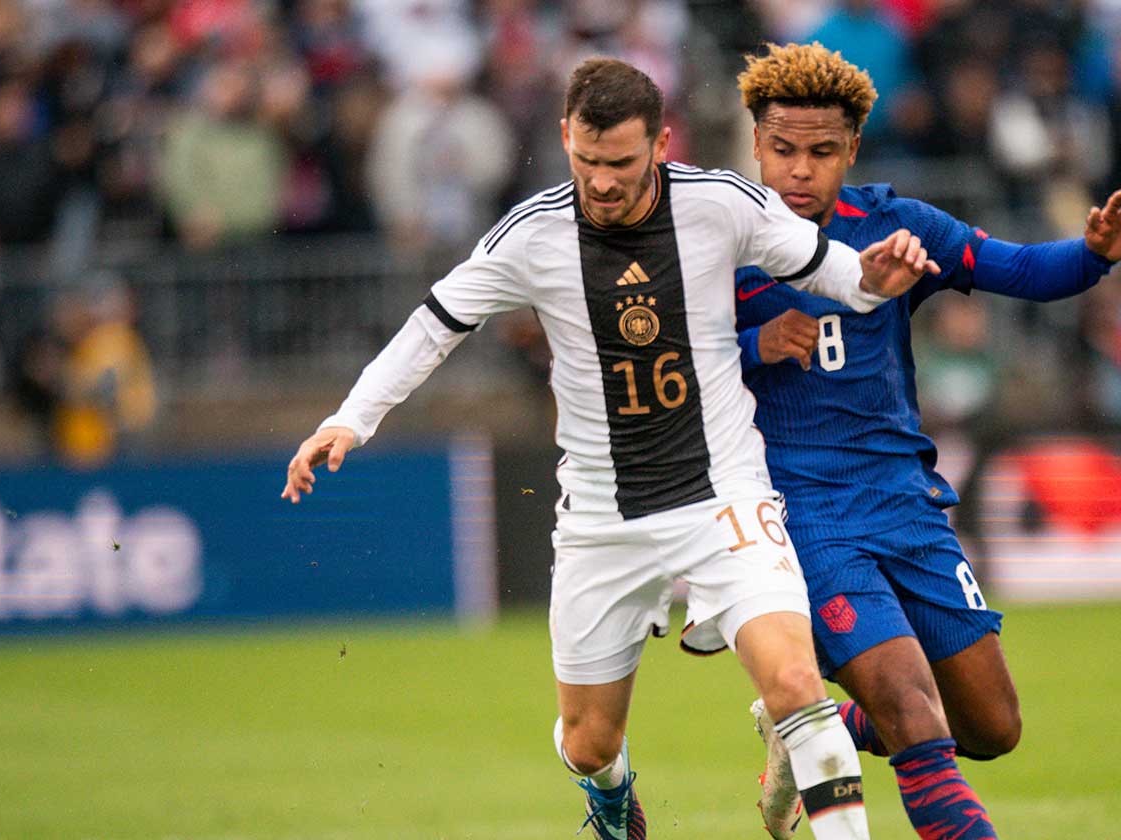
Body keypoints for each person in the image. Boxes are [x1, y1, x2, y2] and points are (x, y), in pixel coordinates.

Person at [281, 58, 943, 840]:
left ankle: (799, 748)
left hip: (723, 493)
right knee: (590, 741)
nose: (601, 182)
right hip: (601, 518)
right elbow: (434, 324)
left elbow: (841, 277)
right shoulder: (530, 236)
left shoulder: (720, 205)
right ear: (565, 137)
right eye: (586, 161)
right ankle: (609, 795)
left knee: (799, 681)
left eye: (621, 164)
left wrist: (881, 278)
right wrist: (350, 419)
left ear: (660, 144)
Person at [732, 43, 1121, 840]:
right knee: (908, 699)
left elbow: (1018, 269)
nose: (800, 170)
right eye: (784, 150)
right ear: (756, 144)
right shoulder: (718, 246)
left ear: (852, 150)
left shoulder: (897, 223)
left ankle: (813, 728)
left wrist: (1093, 254)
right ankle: (834, 727)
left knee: (993, 727)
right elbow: (659, 371)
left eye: (822, 152)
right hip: (803, 514)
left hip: (905, 503)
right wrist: (756, 347)